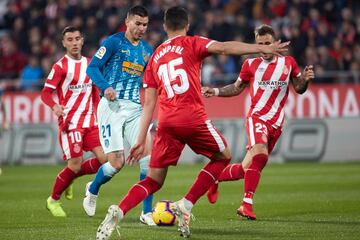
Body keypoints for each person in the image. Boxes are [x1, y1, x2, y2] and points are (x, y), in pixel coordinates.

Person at [95, 6, 289, 239]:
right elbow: (225, 48)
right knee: (223, 156)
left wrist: (139, 140)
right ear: (187, 26)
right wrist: (261, 48)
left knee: (153, 180)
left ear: (165, 27)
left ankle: (119, 210)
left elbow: (148, 103)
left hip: (166, 123)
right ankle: (185, 205)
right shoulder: (192, 42)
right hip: (192, 117)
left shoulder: (155, 55)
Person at [202, 24, 315, 220]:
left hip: (277, 123)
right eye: (260, 44)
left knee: (245, 169)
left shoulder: (288, 63)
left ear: (275, 42)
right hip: (257, 118)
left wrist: (305, 80)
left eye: (267, 43)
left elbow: (299, 88)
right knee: (260, 157)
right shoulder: (250, 65)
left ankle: (215, 177)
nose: (264, 47)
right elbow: (237, 88)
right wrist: (217, 91)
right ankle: (246, 205)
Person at [84, 5, 155, 225]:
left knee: (149, 159)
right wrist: (105, 87)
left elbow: (154, 79)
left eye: (144, 24)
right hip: (111, 107)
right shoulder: (113, 42)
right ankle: (93, 189)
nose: (141, 28)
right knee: (116, 164)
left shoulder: (147, 50)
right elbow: (92, 68)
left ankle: (146, 212)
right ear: (127, 21)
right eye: (137, 23)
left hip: (135, 107)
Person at [41, 26, 106, 217]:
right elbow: (45, 93)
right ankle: (53, 200)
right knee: (76, 165)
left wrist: (99, 114)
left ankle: (69, 177)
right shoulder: (60, 67)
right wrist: (54, 106)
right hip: (71, 123)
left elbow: (94, 92)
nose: (74, 43)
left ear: (82, 40)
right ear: (64, 43)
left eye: (77, 39)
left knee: (106, 160)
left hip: (90, 121)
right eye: (70, 40)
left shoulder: (90, 64)